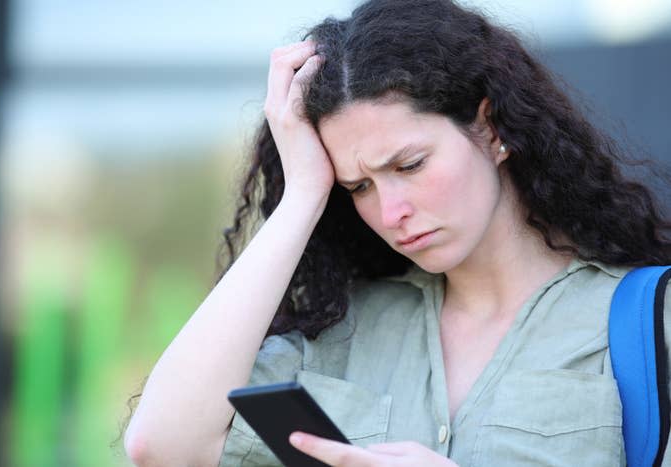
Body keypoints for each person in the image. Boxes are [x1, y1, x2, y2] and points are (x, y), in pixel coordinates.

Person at [123, 0, 671, 465]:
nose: (390, 212)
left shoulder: (647, 321)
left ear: (491, 127)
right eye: (358, 186)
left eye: (408, 166)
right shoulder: (341, 335)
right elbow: (161, 444)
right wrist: (303, 197)